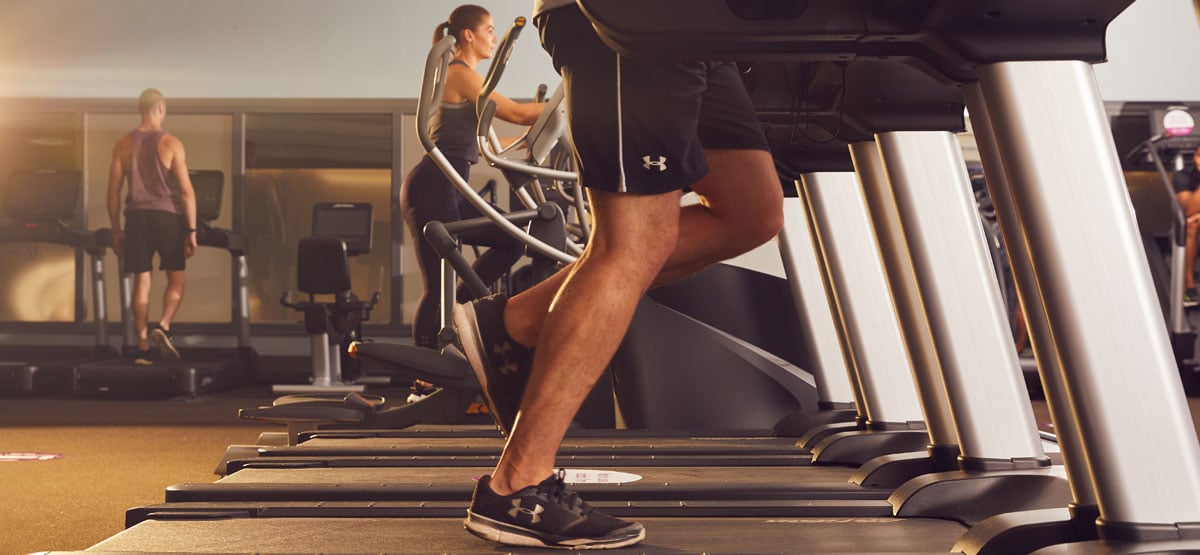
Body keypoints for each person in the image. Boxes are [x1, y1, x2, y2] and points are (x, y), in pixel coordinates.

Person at [455, 0, 783, 549]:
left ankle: (515, 321)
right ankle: (516, 484)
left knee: (753, 212)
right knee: (633, 243)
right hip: (635, 19)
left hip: (704, 29)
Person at [400, 4, 546, 350]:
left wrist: (531, 142)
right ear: (469, 35)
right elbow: (515, 112)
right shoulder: (459, 72)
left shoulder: (464, 75)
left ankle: (459, 312)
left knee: (511, 241)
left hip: (452, 186)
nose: (494, 38)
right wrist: (572, 98)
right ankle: (426, 373)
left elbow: (479, 145)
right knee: (439, 285)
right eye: (490, 30)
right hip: (433, 185)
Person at [107, 88, 198, 365]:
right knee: (176, 278)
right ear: (160, 109)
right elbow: (186, 192)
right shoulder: (171, 143)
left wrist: (116, 229)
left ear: (140, 109)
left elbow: (112, 192)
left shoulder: (123, 144)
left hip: (136, 218)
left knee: (142, 281)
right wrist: (192, 231)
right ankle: (164, 326)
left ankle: (143, 346)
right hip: (167, 217)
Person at [1172, 145, 1200, 307]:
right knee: (1190, 225)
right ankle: (1189, 286)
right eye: (1198, 155)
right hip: (1195, 219)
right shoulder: (1183, 176)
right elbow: (1189, 210)